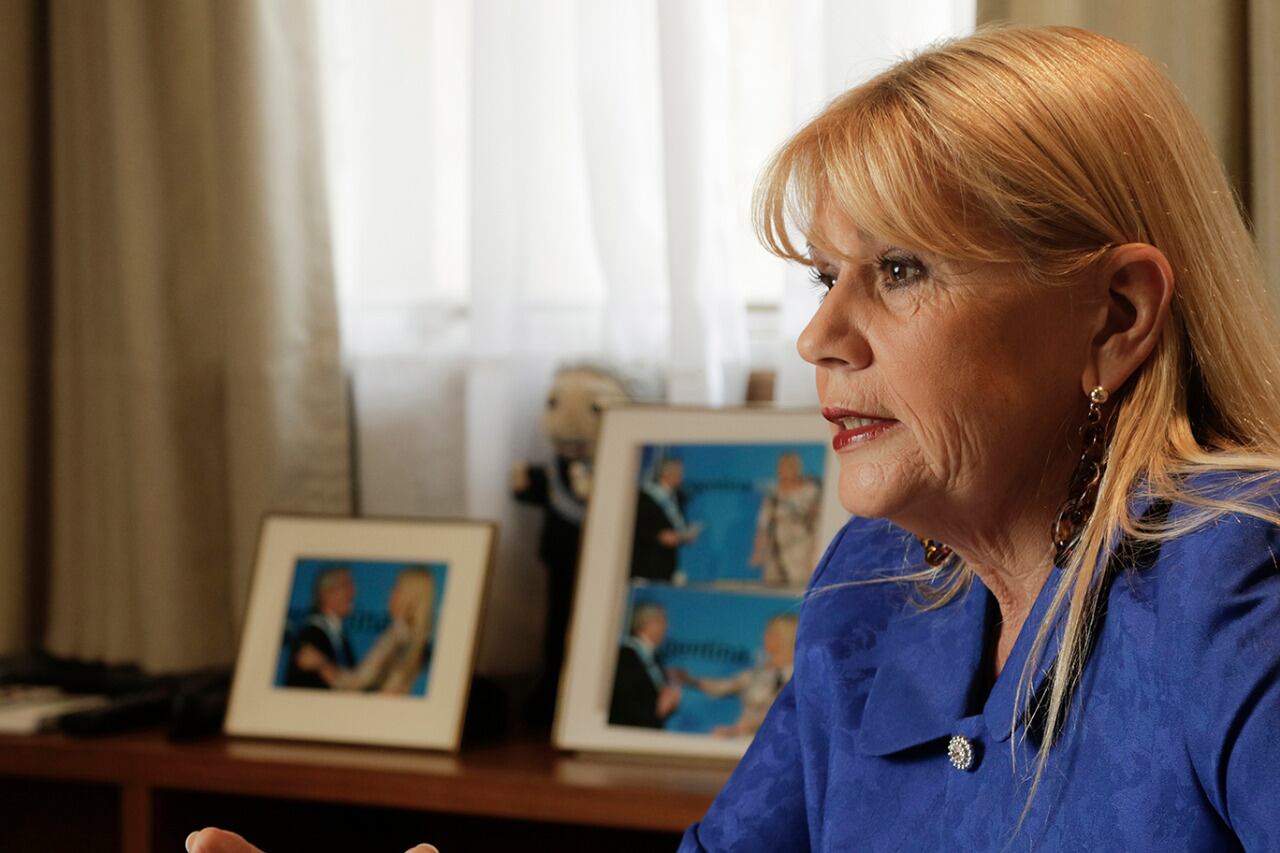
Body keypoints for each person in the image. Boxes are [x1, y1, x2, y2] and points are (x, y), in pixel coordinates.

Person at [681, 25, 1280, 851]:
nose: (819, 338)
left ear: (1117, 315)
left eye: (900, 269)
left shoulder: (1240, 574)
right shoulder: (871, 578)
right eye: (826, 277)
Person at [295, 568, 436, 695]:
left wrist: (321, 664)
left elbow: (357, 683)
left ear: (409, 597)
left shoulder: (397, 635)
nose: (390, 594)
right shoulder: (417, 638)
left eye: (396, 589)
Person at [681, 612, 798, 737]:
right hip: (743, 740)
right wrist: (691, 681)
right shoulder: (755, 674)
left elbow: (786, 714)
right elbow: (722, 687)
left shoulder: (797, 678)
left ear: (784, 637)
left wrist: (745, 728)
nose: (763, 636)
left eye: (770, 633)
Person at [607, 600, 682, 728]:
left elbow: (658, 707)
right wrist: (658, 708)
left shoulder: (653, 657)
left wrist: (669, 703)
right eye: (662, 621)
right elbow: (623, 702)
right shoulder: (625, 657)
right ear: (646, 623)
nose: (666, 627)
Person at [750, 453, 821, 586]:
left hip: (800, 552)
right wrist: (758, 552)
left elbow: (818, 524)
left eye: (789, 467)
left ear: (797, 468)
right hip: (776, 553)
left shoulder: (810, 492)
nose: (784, 471)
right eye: (781, 467)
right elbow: (763, 525)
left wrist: (815, 556)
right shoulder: (773, 495)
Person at [281, 565, 356, 690]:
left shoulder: (339, 635)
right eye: (346, 585)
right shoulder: (310, 635)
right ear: (327, 594)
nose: (353, 591)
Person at [629, 458, 702, 582]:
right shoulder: (645, 498)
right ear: (666, 474)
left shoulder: (677, 497)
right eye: (678, 474)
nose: (681, 478)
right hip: (646, 566)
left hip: (666, 566)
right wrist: (661, 536)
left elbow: (675, 526)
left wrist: (685, 535)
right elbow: (645, 530)